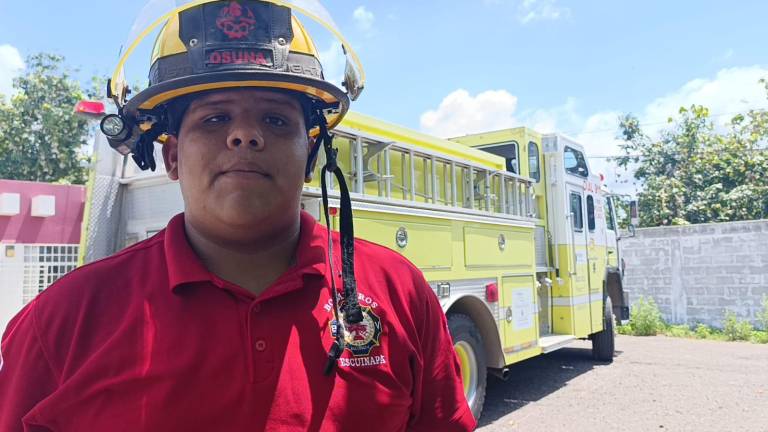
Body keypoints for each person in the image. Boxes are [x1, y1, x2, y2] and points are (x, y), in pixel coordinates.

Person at [0, 1, 476, 430]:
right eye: (213, 118)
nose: (244, 135)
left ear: (310, 158)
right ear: (171, 159)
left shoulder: (399, 292)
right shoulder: (63, 321)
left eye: (275, 120)